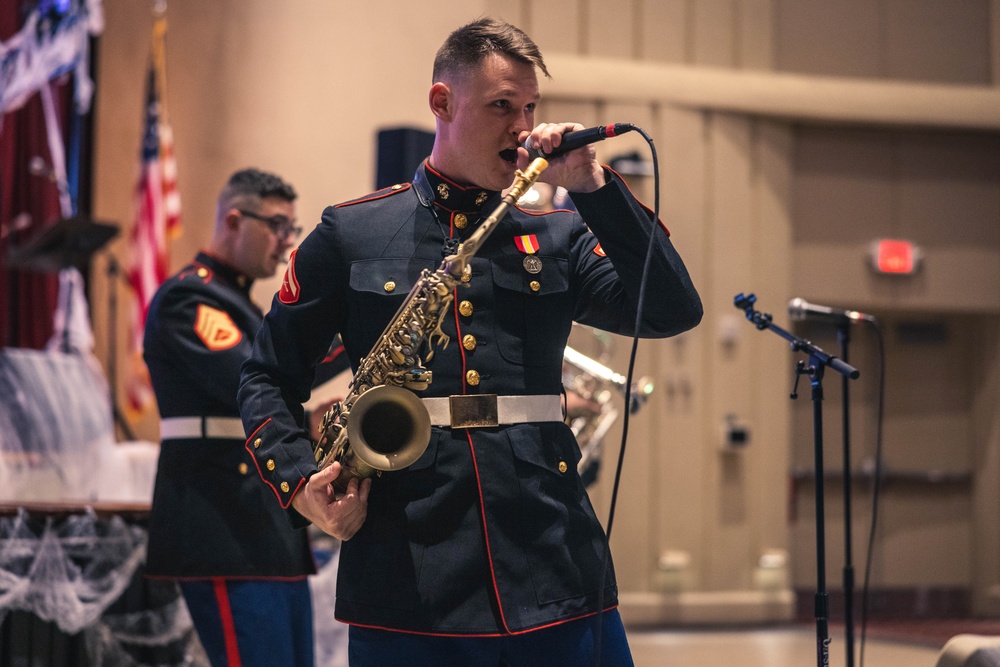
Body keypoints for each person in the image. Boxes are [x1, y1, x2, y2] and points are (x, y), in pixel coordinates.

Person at [238, 17, 703, 667]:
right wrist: (299, 484)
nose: (522, 126)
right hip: (407, 566)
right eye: (501, 106)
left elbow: (673, 310)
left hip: (553, 557)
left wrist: (596, 189)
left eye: (530, 107)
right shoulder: (355, 232)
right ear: (442, 103)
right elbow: (266, 375)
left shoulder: (560, 234)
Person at [143, 168, 348, 667]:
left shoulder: (240, 306)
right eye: (277, 226)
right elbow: (251, 380)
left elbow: (289, 364)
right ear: (234, 220)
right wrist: (309, 426)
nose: (286, 242)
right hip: (224, 526)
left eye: (291, 229)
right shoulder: (189, 299)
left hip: (264, 526)